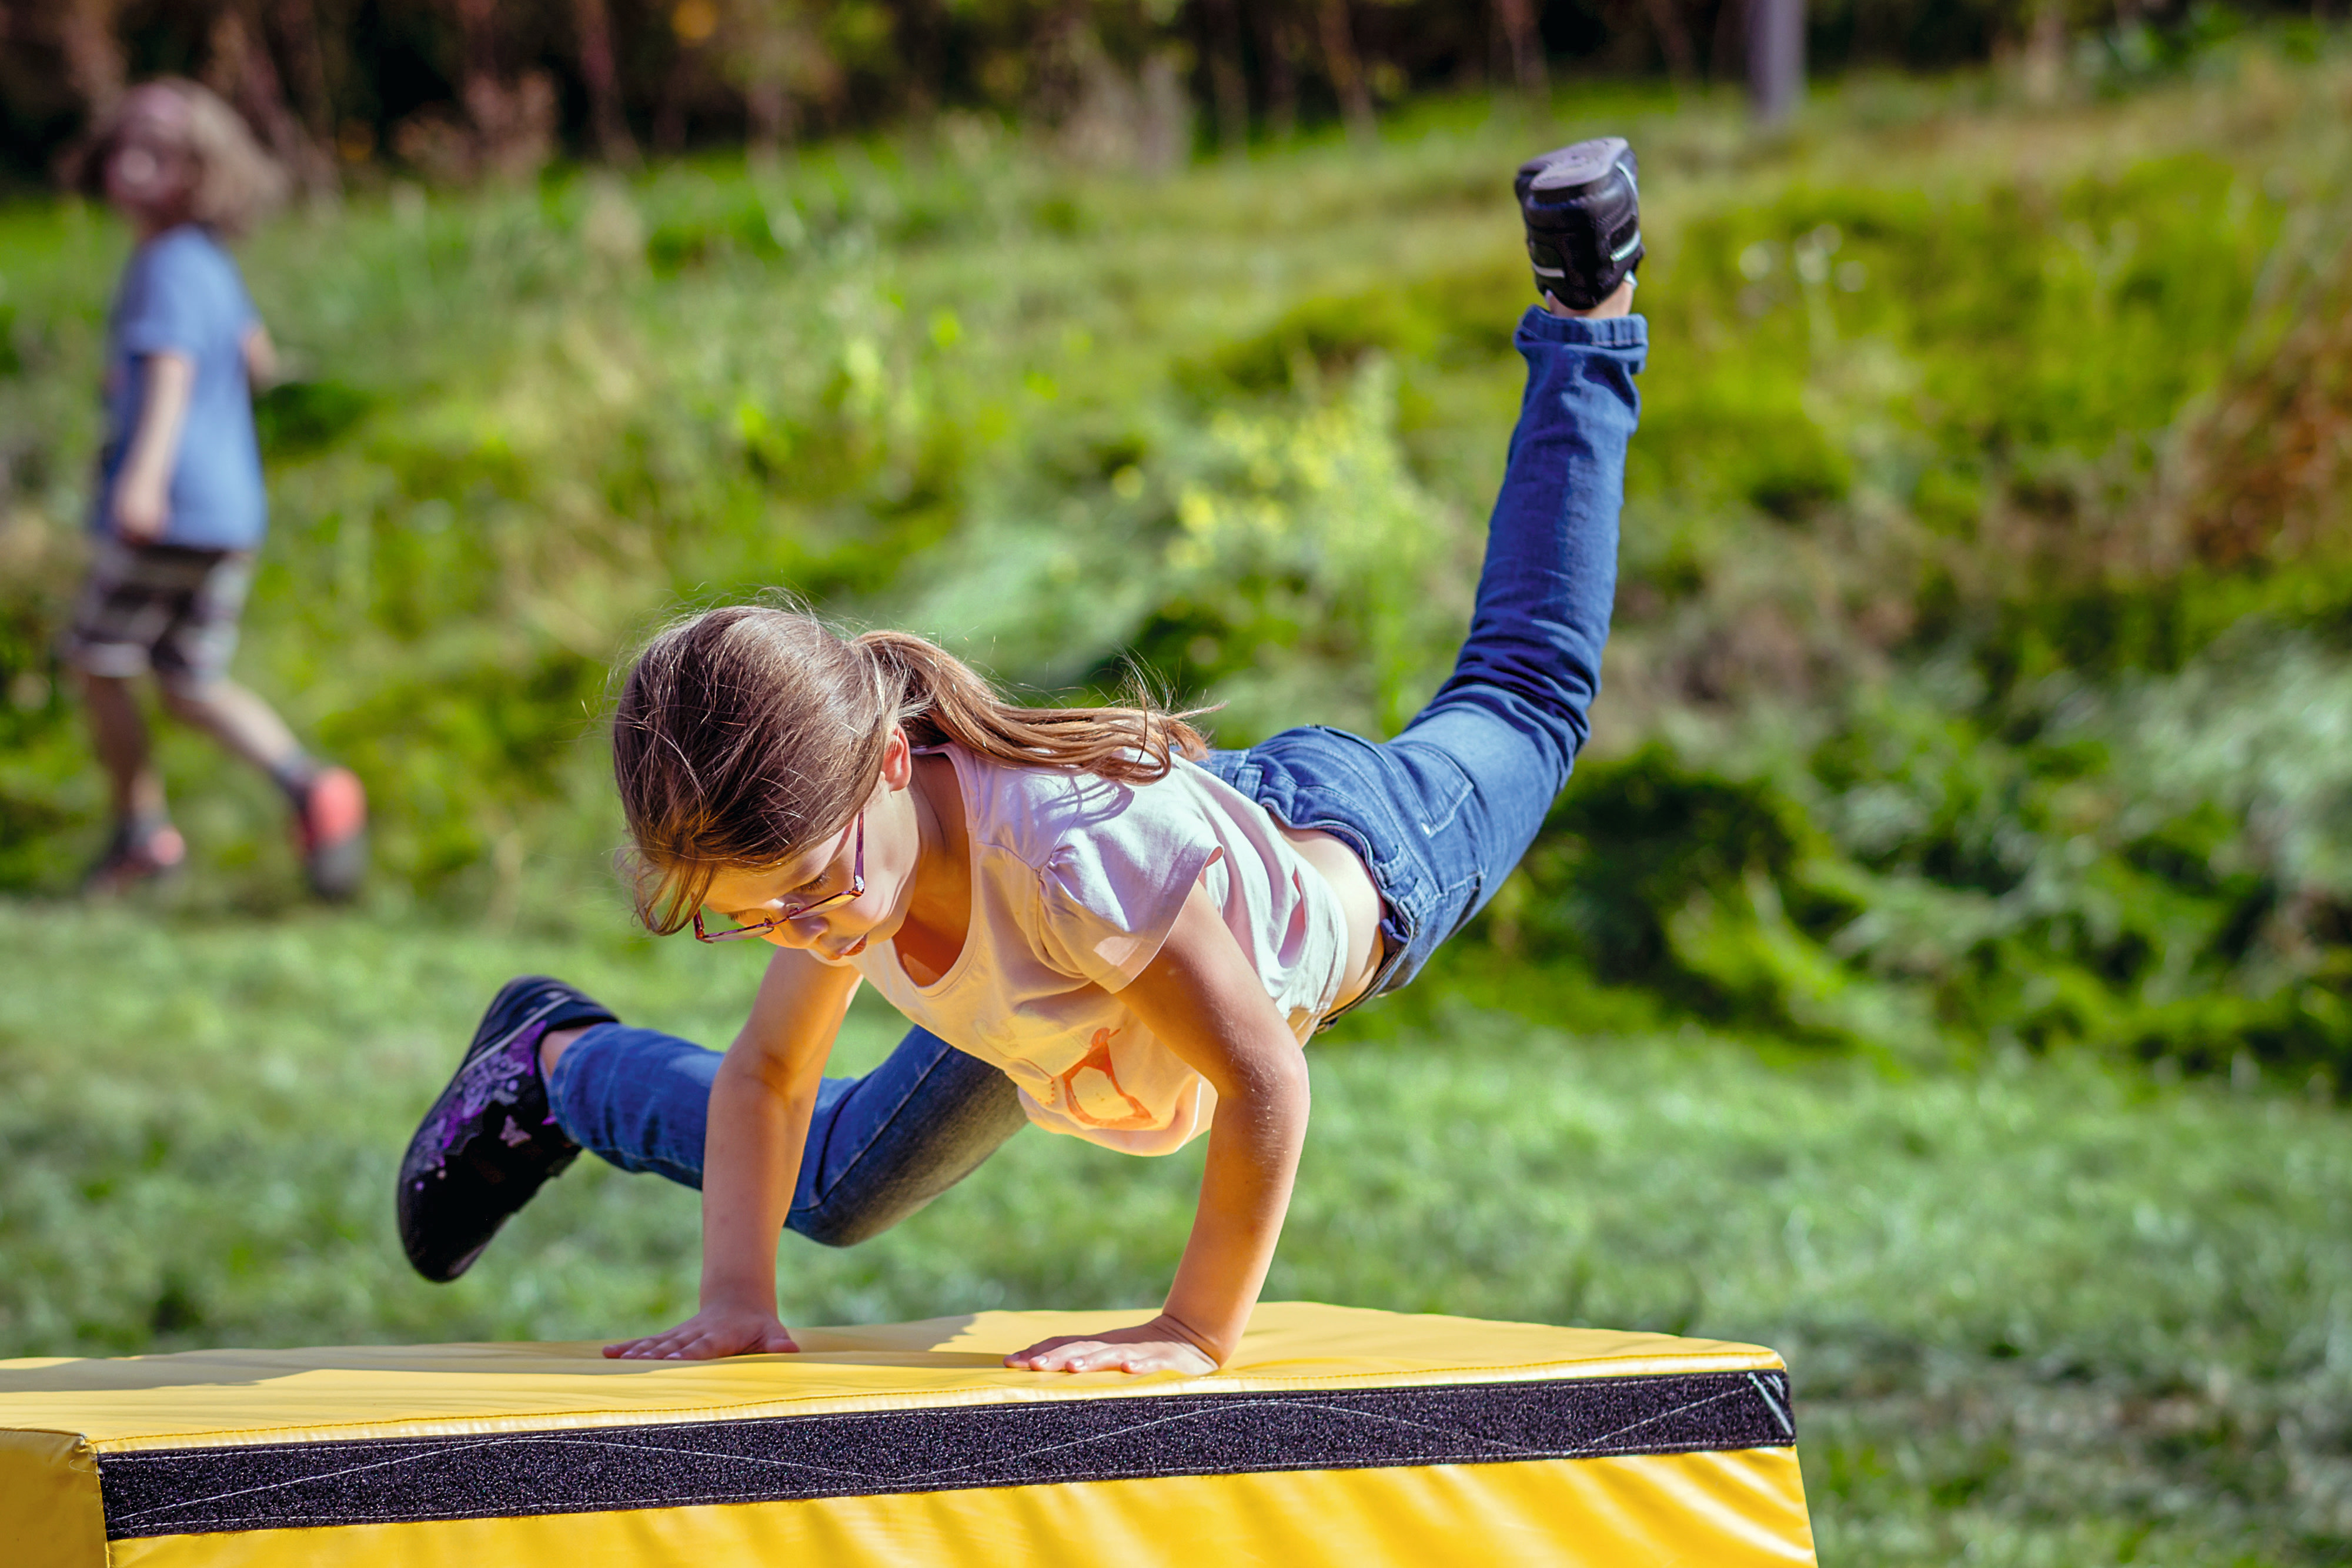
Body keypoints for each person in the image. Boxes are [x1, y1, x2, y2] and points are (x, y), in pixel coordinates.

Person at [399, 146, 1647, 1376]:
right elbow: (770, 1073)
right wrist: (735, 1298)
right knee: (827, 1187)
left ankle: (1583, 311)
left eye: (810, 889)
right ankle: (552, 1066)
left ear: (890, 762)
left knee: (1525, 690)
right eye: (756, 915)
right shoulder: (829, 870)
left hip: (1355, 850)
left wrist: (1191, 1330)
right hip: (1069, 961)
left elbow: (1262, 1079)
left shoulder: (1067, 861)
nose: (804, 929)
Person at [65, 79, 366, 900]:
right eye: (125, 147)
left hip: (170, 505)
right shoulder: (210, 262)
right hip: (231, 511)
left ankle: (141, 831)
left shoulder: (164, 264)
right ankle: (313, 786)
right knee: (188, 680)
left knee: (95, 661)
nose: (132, 167)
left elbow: (171, 372)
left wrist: (143, 478)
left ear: (205, 172)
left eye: (159, 155)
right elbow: (257, 360)